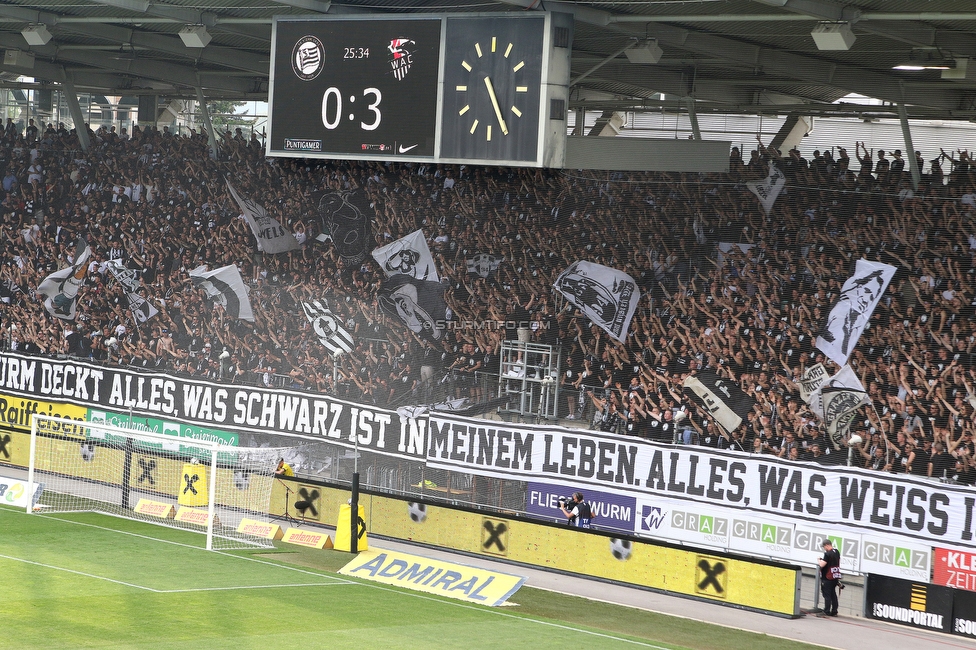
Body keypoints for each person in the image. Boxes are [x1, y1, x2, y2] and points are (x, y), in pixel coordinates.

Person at [817, 538, 841, 616]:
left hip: (827, 577)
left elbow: (822, 564)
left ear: (827, 545)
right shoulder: (836, 552)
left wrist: (819, 560)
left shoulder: (827, 554)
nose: (824, 548)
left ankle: (826, 611)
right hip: (834, 577)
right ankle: (834, 611)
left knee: (827, 595)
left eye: (824, 547)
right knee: (833, 594)